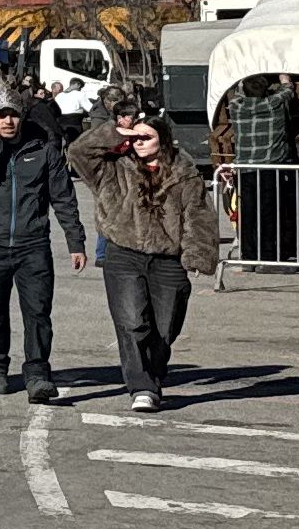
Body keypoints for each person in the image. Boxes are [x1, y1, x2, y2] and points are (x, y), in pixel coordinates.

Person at [69, 98, 222, 413]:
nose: (138, 143)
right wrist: (116, 132)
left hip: (168, 258)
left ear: (162, 140)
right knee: (132, 322)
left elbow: (198, 215)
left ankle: (154, 369)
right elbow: (78, 152)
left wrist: (197, 254)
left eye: (146, 137)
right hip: (123, 254)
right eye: (135, 138)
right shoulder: (114, 168)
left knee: (165, 325)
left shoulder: (184, 173)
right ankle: (142, 387)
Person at [0, 89, 86, 404]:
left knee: (38, 313)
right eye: (1, 115)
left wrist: (75, 241)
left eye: (13, 114)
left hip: (33, 246)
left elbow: (63, 198)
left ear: (22, 116)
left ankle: (38, 373)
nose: (8, 121)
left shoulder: (44, 152)